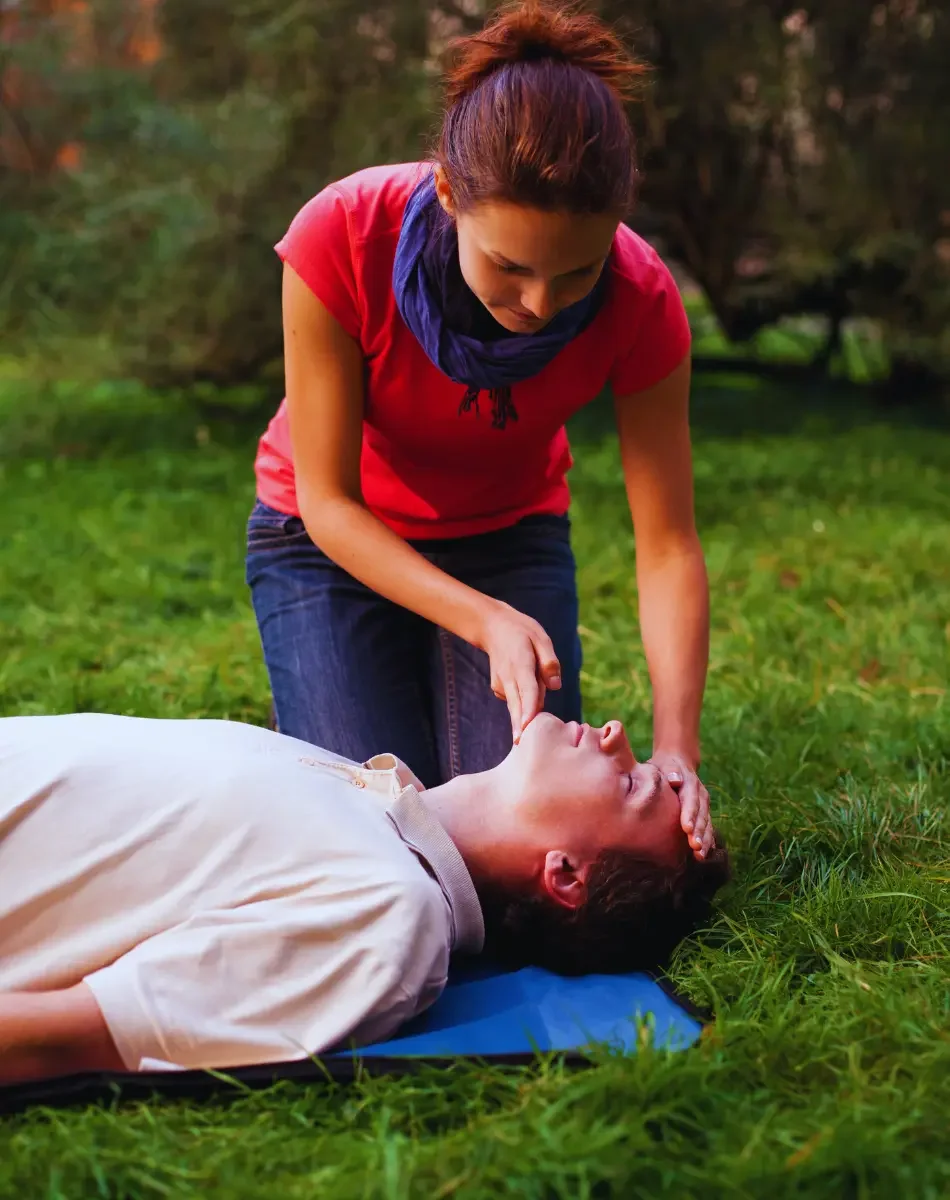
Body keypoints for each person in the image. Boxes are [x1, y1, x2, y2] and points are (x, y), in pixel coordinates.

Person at [245, 0, 711, 820]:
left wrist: (677, 748)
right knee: (387, 820)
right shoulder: (342, 235)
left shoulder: (641, 299)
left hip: (507, 538)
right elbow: (327, 500)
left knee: (530, 821)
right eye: (511, 266)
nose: (540, 303)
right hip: (328, 544)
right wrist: (481, 620)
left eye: (577, 273)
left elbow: (667, 544)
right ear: (451, 191)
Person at [0, 711, 728, 1084]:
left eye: (630, 785)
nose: (617, 733)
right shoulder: (365, 794)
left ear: (565, 874)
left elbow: (76, 1036)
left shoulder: (391, 915)